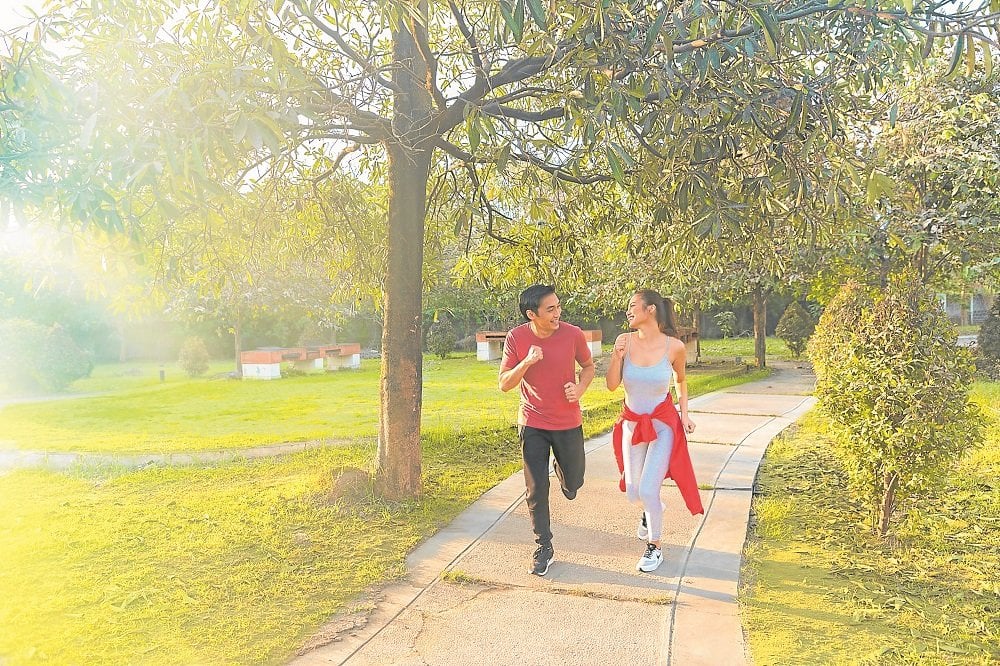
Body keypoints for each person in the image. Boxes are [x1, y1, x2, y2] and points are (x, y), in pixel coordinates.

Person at [499, 284, 595, 576]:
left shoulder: (573, 334)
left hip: (568, 422)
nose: (557, 313)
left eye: (558, 307)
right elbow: (504, 383)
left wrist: (579, 389)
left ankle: (566, 475)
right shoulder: (516, 338)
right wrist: (526, 362)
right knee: (536, 488)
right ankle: (544, 546)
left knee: (574, 482)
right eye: (550, 309)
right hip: (532, 422)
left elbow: (589, 367)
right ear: (532, 314)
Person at [606, 289, 704, 573]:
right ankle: (651, 512)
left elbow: (681, 381)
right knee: (634, 492)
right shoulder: (624, 341)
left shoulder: (674, 347)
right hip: (632, 424)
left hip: (662, 425)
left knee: (648, 488)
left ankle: (655, 547)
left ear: (650, 310)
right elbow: (612, 385)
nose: (628, 311)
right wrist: (615, 356)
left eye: (632, 305)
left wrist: (685, 415)